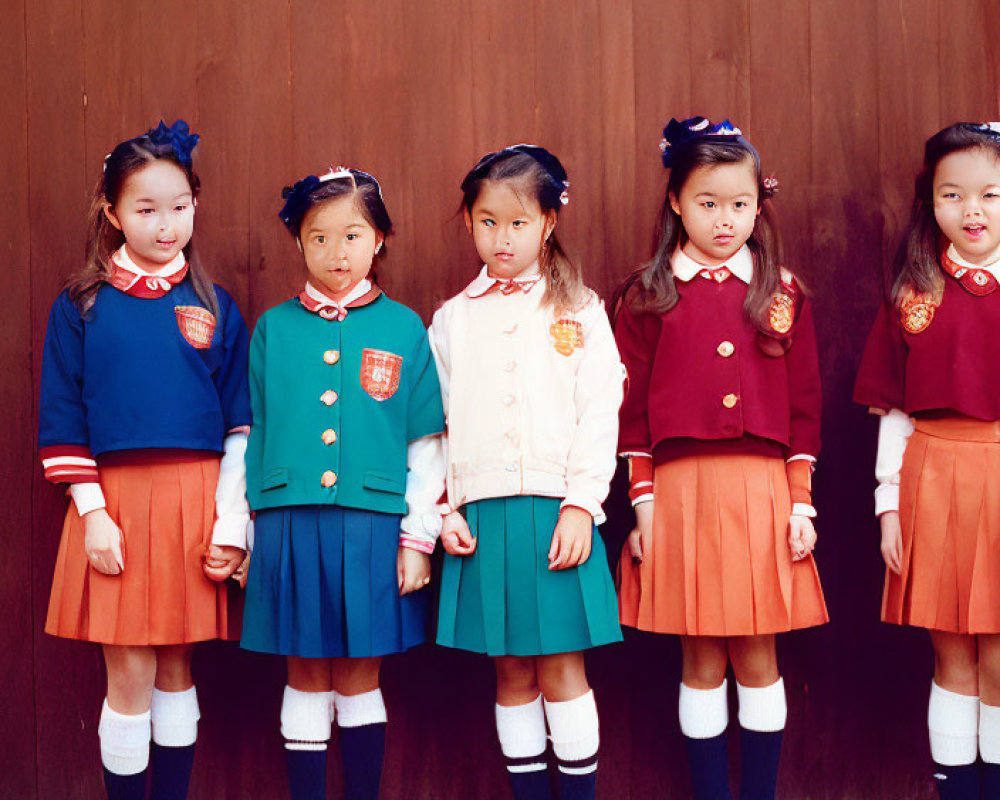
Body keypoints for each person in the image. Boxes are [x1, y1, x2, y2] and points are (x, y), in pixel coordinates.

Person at [614, 117, 828, 800]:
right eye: (707, 203)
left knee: (760, 653)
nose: (725, 219)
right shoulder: (646, 296)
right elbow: (633, 414)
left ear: (759, 204)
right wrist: (643, 505)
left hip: (763, 493)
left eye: (740, 204)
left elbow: (803, 410)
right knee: (700, 656)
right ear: (675, 200)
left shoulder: (783, 290)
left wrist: (800, 502)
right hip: (680, 496)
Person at [39, 119, 251, 800]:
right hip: (115, 506)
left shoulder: (216, 305)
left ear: (196, 203)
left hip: (195, 500)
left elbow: (241, 425)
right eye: (146, 209)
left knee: (175, 670)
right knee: (127, 673)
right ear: (112, 213)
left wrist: (229, 524)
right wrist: (93, 515)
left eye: (180, 206)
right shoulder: (81, 305)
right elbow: (63, 418)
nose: (166, 225)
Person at [241, 166, 445, 800]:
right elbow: (251, 435)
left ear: (379, 238)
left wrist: (417, 538)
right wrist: (243, 533)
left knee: (360, 675)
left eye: (353, 235)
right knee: (303, 674)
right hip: (290, 523)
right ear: (299, 242)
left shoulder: (405, 328)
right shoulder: (274, 328)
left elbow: (425, 445)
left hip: (372, 527)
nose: (338, 252)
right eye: (320, 237)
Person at [429, 144, 624, 800]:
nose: (501, 237)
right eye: (487, 221)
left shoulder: (581, 310)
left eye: (517, 222)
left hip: (555, 514)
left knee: (563, 668)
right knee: (510, 672)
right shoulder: (453, 320)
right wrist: (442, 508)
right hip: (481, 518)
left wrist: (581, 504)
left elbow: (601, 410)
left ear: (549, 222)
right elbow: (434, 426)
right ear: (468, 222)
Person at [855, 121, 1000, 800]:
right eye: (954, 195)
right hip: (933, 482)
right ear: (931, 202)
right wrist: (889, 507)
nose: (973, 210)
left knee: (999, 658)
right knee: (949, 652)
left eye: (992, 195)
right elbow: (894, 410)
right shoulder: (913, 294)